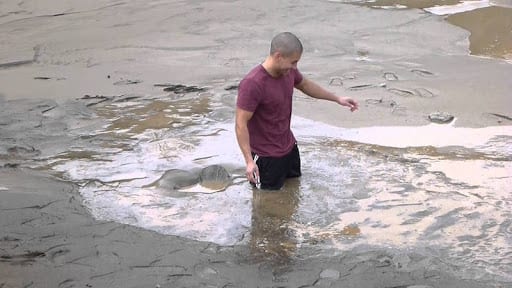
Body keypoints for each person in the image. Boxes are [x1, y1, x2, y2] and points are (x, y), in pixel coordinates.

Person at [235, 32, 358, 190]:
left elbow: (306, 85)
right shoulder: (252, 84)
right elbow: (240, 124)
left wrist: (337, 99)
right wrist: (249, 162)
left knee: (293, 194)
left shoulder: (288, 72)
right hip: (266, 158)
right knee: (266, 206)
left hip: (290, 149)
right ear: (278, 56)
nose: (295, 68)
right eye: (293, 62)